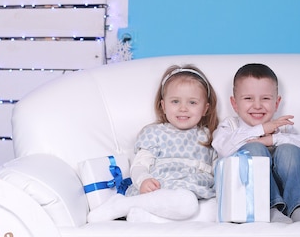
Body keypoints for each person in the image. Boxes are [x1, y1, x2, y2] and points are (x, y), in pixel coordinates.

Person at [88, 64, 218, 223]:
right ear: (163, 106)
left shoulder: (210, 136)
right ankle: (123, 204)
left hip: (199, 193)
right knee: (186, 202)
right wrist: (143, 180)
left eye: (192, 102)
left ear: (205, 108)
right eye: (175, 101)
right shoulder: (155, 133)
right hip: (162, 190)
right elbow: (139, 165)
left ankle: (148, 218)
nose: (183, 108)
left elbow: (219, 169)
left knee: (213, 211)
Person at [212, 63, 300, 223]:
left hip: (287, 193)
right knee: (254, 148)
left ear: (276, 103)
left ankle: (298, 207)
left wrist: (272, 139)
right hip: (253, 198)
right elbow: (223, 149)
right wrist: (261, 129)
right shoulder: (230, 126)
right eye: (248, 98)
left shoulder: (282, 128)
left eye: (266, 99)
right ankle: (270, 209)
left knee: (290, 149)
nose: (257, 105)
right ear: (235, 104)